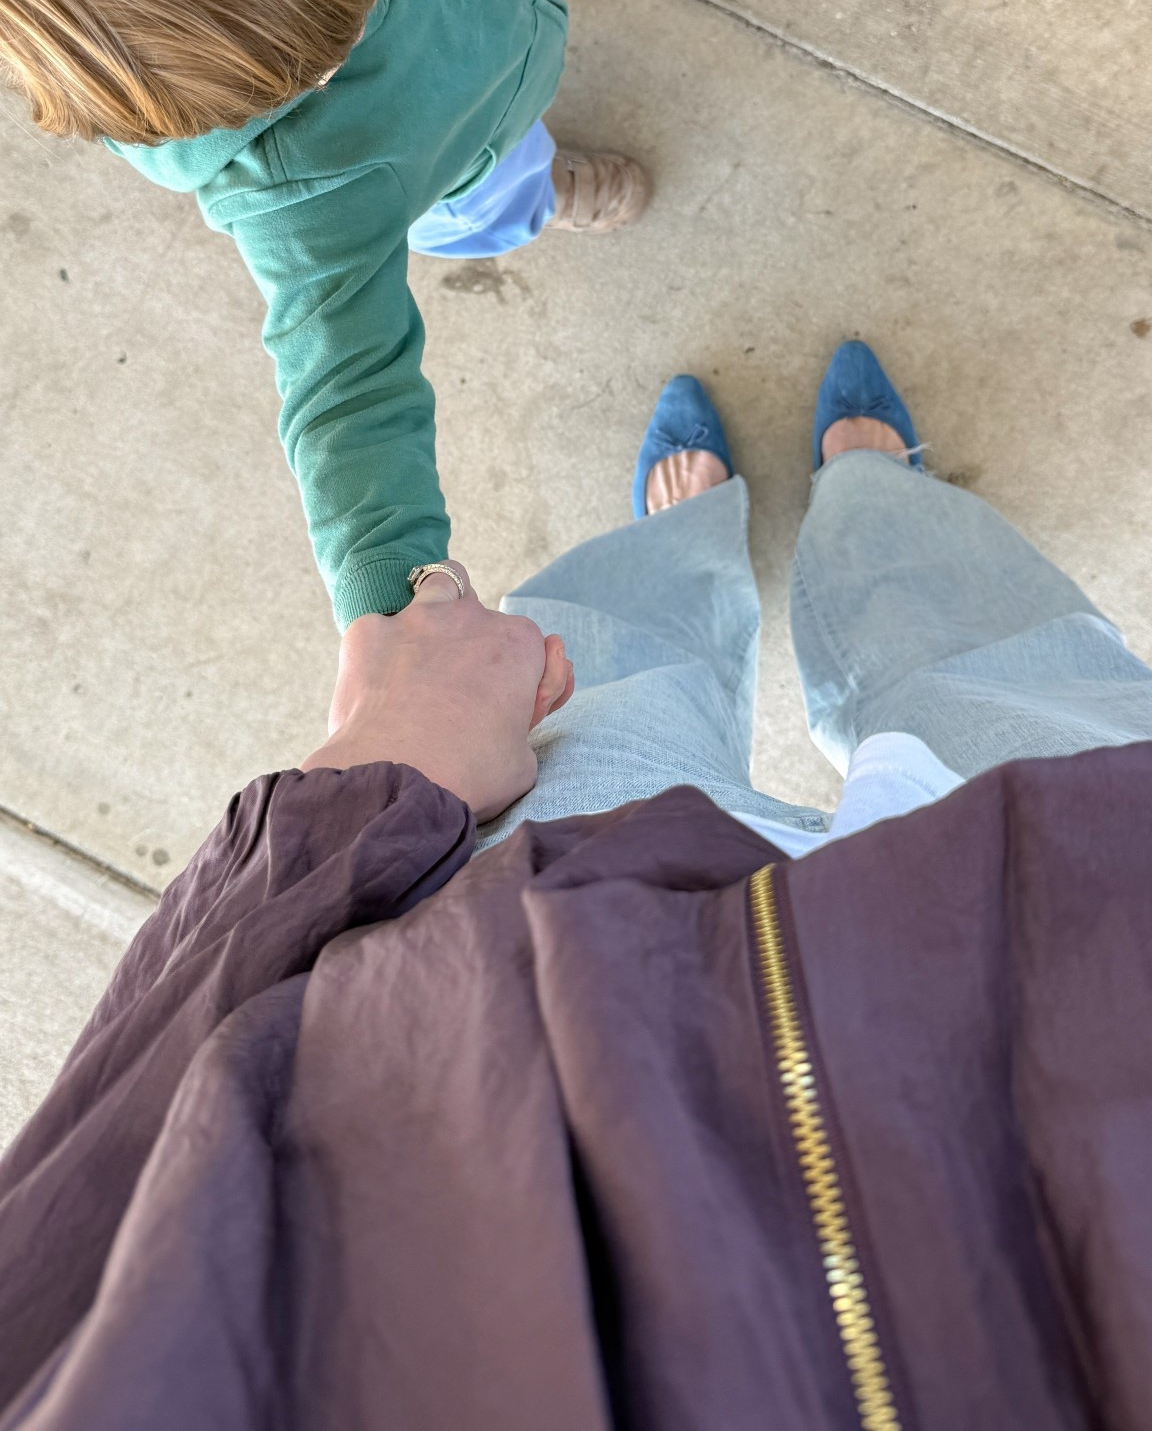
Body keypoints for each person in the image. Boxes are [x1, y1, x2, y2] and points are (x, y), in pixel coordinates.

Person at [2, 341, 1151, 1428]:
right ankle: (877, 501)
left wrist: (376, 773)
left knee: (608, 662)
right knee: (981, 645)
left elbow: (93, 1203)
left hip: (529, 994)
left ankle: (689, 533)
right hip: (1092, 938)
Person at [0, 0, 649, 629]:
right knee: (508, 189)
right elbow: (348, 401)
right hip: (466, 156)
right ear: (329, 49)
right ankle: (545, 191)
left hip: (494, 10)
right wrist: (397, 611)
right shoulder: (311, 195)